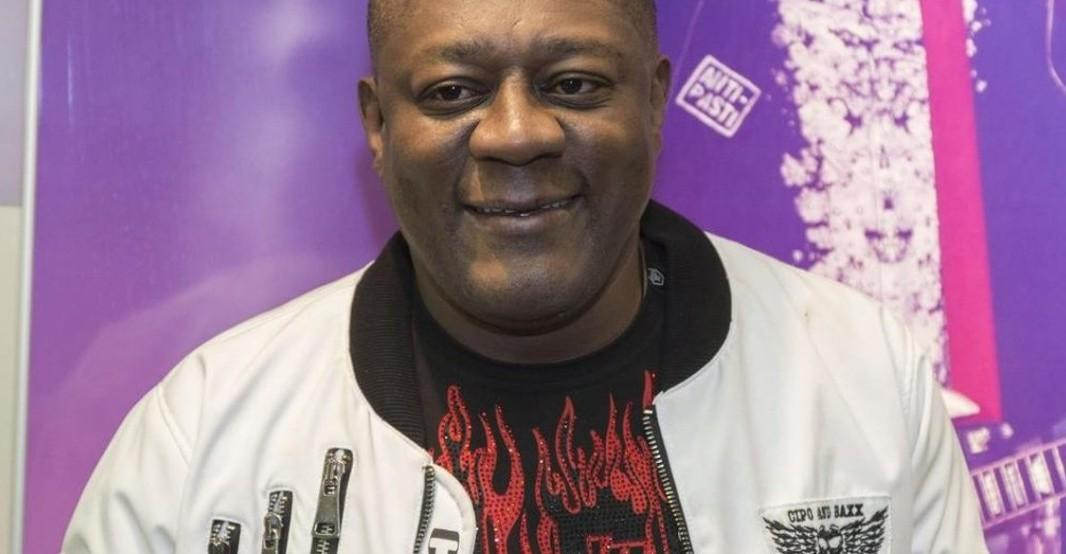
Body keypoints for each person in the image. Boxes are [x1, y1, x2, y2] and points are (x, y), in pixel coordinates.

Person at [63, 0, 989, 552]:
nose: (516, 134)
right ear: (378, 127)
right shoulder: (202, 440)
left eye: (573, 83)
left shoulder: (863, 381)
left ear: (655, 102)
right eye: (452, 93)